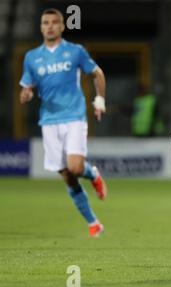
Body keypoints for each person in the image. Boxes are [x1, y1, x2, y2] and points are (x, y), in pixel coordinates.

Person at [19, 8, 107, 237]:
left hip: (74, 116)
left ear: (62, 26)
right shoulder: (31, 57)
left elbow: (98, 73)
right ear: (40, 27)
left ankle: (93, 174)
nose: (49, 26)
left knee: (76, 168)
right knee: (67, 176)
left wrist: (99, 99)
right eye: (45, 22)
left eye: (54, 22)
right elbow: (27, 87)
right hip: (48, 120)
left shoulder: (75, 52)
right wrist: (26, 94)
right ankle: (93, 222)